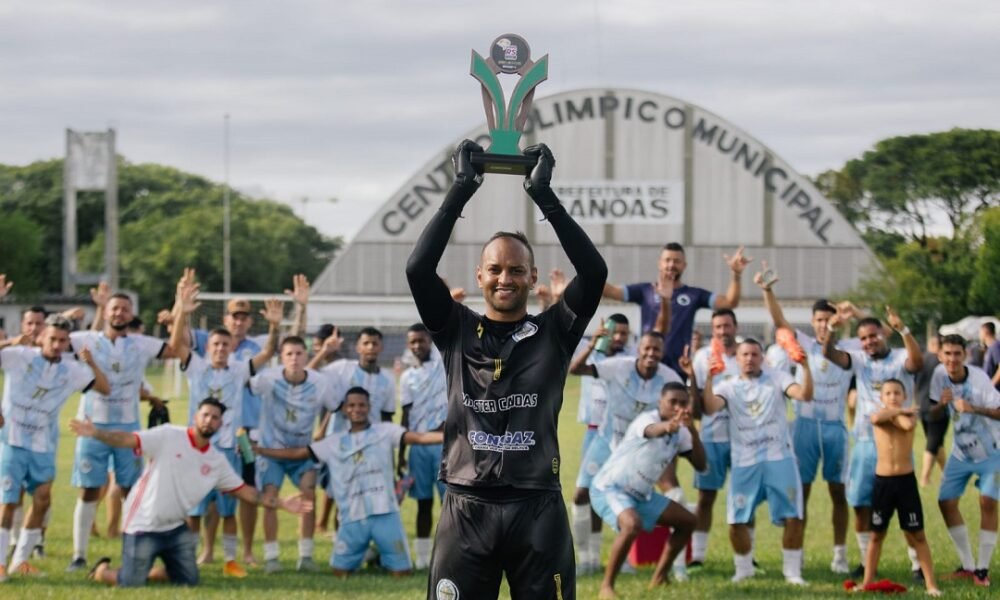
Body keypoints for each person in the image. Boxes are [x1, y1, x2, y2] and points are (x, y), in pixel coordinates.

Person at [406, 141, 606, 600]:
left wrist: (544, 197)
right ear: (479, 276)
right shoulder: (454, 328)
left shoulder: (555, 330)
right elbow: (418, 269)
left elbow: (593, 273)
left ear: (533, 278)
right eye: (495, 269)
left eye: (516, 270)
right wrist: (461, 188)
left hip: (537, 509)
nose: (505, 279)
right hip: (466, 506)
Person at [69, 398, 311, 587]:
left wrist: (281, 504)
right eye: (205, 414)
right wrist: (97, 433)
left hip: (175, 528)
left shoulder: (217, 462)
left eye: (215, 418)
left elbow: (246, 493)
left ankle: (147, 569)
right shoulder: (168, 435)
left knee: (188, 580)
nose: (209, 420)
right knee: (130, 583)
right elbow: (127, 440)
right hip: (142, 525)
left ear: (220, 424)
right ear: (196, 416)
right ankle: (102, 572)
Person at [257, 387, 443, 576]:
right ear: (345, 409)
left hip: (385, 514)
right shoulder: (334, 442)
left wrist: (450, 437)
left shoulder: (385, 431)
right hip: (351, 518)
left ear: (369, 407)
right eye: (352, 405)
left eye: (362, 405)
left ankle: (381, 553)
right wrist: (262, 451)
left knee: (402, 574)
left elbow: (418, 438)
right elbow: (298, 453)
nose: (357, 409)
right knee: (339, 573)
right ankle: (370, 554)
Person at [169, 271, 282, 576]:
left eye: (224, 345)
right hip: (198, 447)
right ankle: (193, 556)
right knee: (196, 509)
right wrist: (181, 307)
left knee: (229, 507)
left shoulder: (238, 370)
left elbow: (269, 352)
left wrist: (273, 325)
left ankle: (231, 559)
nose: (220, 349)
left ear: (232, 348)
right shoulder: (196, 367)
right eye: (215, 344)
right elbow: (176, 342)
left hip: (230, 449)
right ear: (208, 347)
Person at [66, 288, 184, 572]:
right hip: (91, 426)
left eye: (124, 309)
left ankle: (134, 551)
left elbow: (173, 349)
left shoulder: (140, 343)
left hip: (128, 428)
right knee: (89, 490)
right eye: (114, 308)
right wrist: (63, 316)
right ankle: (79, 555)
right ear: (105, 312)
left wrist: (182, 311)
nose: (119, 313)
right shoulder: (86, 340)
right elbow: (49, 340)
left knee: (132, 491)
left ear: (131, 315)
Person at [756, 268, 853, 573]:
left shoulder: (848, 350)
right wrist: (768, 292)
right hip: (804, 427)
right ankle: (799, 554)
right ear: (812, 322)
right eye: (820, 320)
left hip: (836, 428)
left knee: (839, 493)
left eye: (830, 319)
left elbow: (878, 332)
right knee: (804, 491)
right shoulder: (803, 344)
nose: (824, 324)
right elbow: (779, 321)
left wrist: (854, 312)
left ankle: (840, 554)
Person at [0, 315, 110, 581]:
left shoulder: (72, 370)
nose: (57, 345)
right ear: (41, 338)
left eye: (63, 341)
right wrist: (10, 341)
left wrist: (91, 362)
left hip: (44, 444)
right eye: (52, 339)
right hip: (12, 439)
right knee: (8, 502)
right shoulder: (19, 356)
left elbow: (105, 388)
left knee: (43, 498)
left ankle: (20, 561)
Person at [822, 307, 924, 579]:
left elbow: (917, 362)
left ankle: (916, 563)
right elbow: (828, 354)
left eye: (873, 336)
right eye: (863, 338)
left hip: (897, 444)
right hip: (866, 443)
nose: (868, 342)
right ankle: (868, 562)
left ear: (883, 334)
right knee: (859, 503)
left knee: (905, 506)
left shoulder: (901, 356)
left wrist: (904, 329)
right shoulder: (858, 359)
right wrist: (831, 328)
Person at [702, 338, 813, 585]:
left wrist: (805, 368)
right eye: (745, 355)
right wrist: (708, 379)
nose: (750, 358)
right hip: (744, 461)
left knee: (794, 515)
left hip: (779, 457)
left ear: (762, 358)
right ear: (737, 359)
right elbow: (709, 408)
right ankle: (743, 570)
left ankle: (792, 572)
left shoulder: (778, 378)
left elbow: (804, 395)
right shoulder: (728, 386)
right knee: (736, 518)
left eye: (754, 354)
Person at [591, 382, 705, 598]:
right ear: (661, 402)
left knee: (688, 521)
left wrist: (692, 432)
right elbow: (653, 431)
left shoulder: (681, 432)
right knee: (632, 524)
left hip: (641, 496)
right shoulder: (647, 419)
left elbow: (701, 465)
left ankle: (660, 577)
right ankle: (606, 587)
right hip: (610, 488)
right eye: (673, 402)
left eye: (683, 403)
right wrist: (668, 426)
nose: (678, 407)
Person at [253, 335, 338, 573]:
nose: (294, 358)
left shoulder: (319, 382)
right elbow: (246, 389)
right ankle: (271, 558)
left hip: (302, 454)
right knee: (270, 498)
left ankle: (306, 556)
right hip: (271, 452)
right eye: (289, 354)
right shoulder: (268, 379)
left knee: (308, 496)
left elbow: (335, 407)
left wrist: (321, 431)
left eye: (299, 353)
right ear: (282, 357)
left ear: (307, 356)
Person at [601, 241, 751, 372]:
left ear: (684, 265)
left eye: (676, 261)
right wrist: (589, 274)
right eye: (667, 260)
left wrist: (736, 275)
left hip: (679, 366)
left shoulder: (694, 295)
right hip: (648, 364)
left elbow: (729, 303)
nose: (671, 265)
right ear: (659, 263)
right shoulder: (645, 290)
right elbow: (611, 292)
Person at [930, 334, 1000, 587]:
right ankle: (968, 565)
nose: (952, 359)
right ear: (941, 356)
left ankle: (982, 570)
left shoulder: (979, 379)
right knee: (945, 502)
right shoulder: (939, 375)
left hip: (992, 452)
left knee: (988, 503)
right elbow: (932, 412)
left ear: (965, 355)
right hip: (960, 452)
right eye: (947, 354)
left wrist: (973, 408)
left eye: (957, 354)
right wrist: (940, 405)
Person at [861, 379, 941, 596]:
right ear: (881, 397)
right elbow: (876, 418)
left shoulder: (909, 416)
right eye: (888, 393)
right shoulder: (884, 414)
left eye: (897, 393)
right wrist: (898, 411)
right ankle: (867, 581)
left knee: (918, 535)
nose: (893, 397)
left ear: (905, 396)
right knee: (876, 534)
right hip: (883, 483)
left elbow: (907, 425)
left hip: (905, 482)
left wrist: (896, 413)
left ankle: (931, 584)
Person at [569, 313, 631, 575]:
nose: (618, 338)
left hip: (623, 436)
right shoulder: (590, 349)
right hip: (594, 432)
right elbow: (572, 366)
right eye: (614, 333)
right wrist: (593, 344)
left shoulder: (631, 358)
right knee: (583, 494)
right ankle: (587, 557)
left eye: (623, 334)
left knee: (621, 495)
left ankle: (624, 560)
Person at [688, 308, 742, 569]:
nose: (722, 331)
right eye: (718, 327)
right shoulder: (702, 357)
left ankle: (746, 556)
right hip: (711, 436)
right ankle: (698, 555)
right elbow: (696, 400)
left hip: (744, 439)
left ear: (736, 327)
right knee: (706, 497)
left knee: (743, 498)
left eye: (727, 326)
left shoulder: (747, 355)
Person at [397, 323, 448, 570]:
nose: (417, 345)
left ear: (430, 341)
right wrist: (401, 455)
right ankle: (422, 558)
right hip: (418, 446)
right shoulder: (407, 377)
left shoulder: (442, 364)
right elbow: (405, 417)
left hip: (445, 445)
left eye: (422, 340)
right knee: (423, 504)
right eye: (413, 342)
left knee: (450, 503)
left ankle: (449, 555)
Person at [315, 327, 396, 429]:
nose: (370, 347)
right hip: (340, 439)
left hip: (371, 441)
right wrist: (324, 351)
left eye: (375, 344)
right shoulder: (342, 368)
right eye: (366, 343)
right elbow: (308, 373)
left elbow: (386, 415)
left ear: (381, 348)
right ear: (357, 347)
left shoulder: (388, 378)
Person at [916, 335, 947, 487]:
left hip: (922, 405)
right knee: (933, 443)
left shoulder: (920, 359)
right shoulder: (941, 363)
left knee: (937, 441)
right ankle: (924, 479)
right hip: (938, 407)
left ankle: (946, 473)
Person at [981, 322, 1000, 391]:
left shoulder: (996, 346)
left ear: (985, 331)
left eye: (980, 332)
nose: (979, 335)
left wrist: (991, 385)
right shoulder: (991, 347)